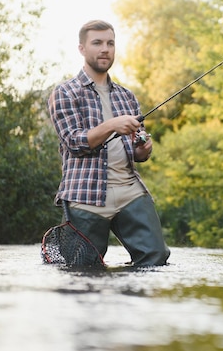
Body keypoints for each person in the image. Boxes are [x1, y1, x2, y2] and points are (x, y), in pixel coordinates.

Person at [48, 20, 170, 267]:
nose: (105, 49)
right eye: (97, 43)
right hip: (85, 193)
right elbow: (74, 142)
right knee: (82, 269)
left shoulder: (127, 96)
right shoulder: (65, 93)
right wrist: (112, 125)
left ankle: (129, 303)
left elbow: (139, 148)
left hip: (129, 190)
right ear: (82, 48)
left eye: (110, 43)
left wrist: (143, 148)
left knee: (156, 259)